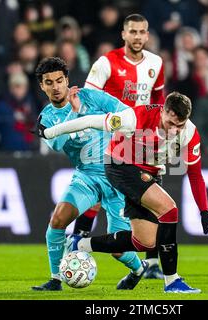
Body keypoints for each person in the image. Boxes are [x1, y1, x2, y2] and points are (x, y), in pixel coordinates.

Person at [35, 91, 208, 294]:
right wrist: (50, 132)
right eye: (170, 124)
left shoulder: (190, 133)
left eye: (180, 126)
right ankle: (172, 281)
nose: (175, 131)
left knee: (144, 242)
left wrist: (204, 212)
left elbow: (195, 175)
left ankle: (81, 244)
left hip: (150, 173)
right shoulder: (135, 117)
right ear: (163, 112)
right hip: (119, 164)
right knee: (169, 210)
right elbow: (89, 121)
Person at [31, 57, 146, 292]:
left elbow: (125, 112)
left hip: (117, 175)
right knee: (58, 220)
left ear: (67, 81)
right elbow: (57, 143)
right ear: (42, 86)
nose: (56, 87)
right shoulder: (46, 119)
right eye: (49, 82)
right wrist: (74, 114)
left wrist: (116, 128)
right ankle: (55, 280)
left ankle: (139, 269)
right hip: (87, 176)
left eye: (59, 81)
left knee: (118, 249)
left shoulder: (90, 96)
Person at [76, 13, 166, 279]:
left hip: (142, 141)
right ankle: (78, 244)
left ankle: (151, 265)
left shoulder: (156, 63)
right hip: (109, 138)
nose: (138, 37)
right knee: (98, 191)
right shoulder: (106, 63)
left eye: (142, 32)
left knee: (150, 197)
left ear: (147, 35)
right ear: (123, 34)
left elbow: (158, 101)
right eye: (133, 32)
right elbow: (87, 97)